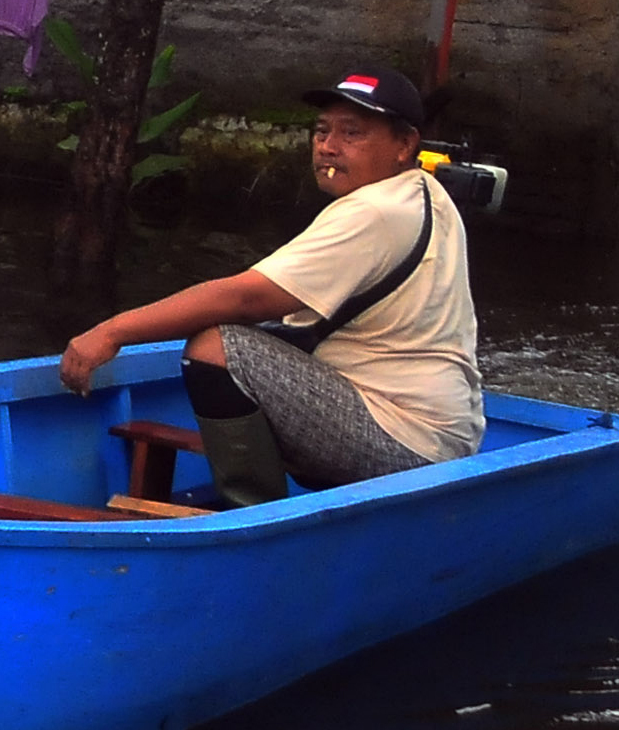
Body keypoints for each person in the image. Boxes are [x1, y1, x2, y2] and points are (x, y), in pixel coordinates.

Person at [57, 68, 480, 505]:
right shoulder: (425, 191)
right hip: (446, 437)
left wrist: (112, 331)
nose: (328, 147)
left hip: (407, 444)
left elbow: (247, 298)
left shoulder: (374, 211)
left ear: (405, 145)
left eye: (352, 133)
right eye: (321, 131)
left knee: (218, 348)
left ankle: (250, 514)